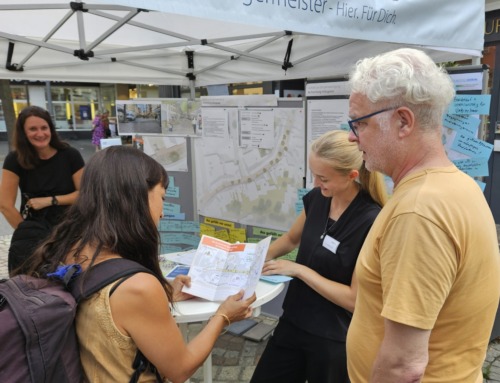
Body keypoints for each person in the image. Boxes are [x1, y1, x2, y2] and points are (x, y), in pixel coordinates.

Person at [21, 146, 256, 383]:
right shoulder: (137, 286)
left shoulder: (69, 249)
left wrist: (165, 296)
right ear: (137, 196)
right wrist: (223, 317)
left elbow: (109, 318)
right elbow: (179, 369)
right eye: (162, 197)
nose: (162, 213)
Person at [345, 48, 500, 383]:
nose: (351, 136)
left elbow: (404, 365)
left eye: (359, 123)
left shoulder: (419, 210)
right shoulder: (458, 185)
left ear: (403, 121)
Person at [250, 129, 388, 383]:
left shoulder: (371, 220)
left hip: (333, 337)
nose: (315, 184)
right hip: (293, 320)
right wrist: (252, 258)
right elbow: (291, 239)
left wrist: (299, 270)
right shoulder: (317, 198)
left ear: (352, 176)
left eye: (323, 178)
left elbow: (354, 299)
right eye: (314, 174)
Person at [0, 105, 84, 274]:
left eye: (44, 127)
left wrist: (51, 200)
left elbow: (85, 194)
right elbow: (5, 205)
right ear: (23, 133)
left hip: (70, 229)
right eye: (32, 129)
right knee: (34, 286)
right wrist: (28, 233)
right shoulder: (15, 160)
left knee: (71, 281)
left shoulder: (69, 155)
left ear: (51, 129)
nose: (40, 133)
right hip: (35, 231)